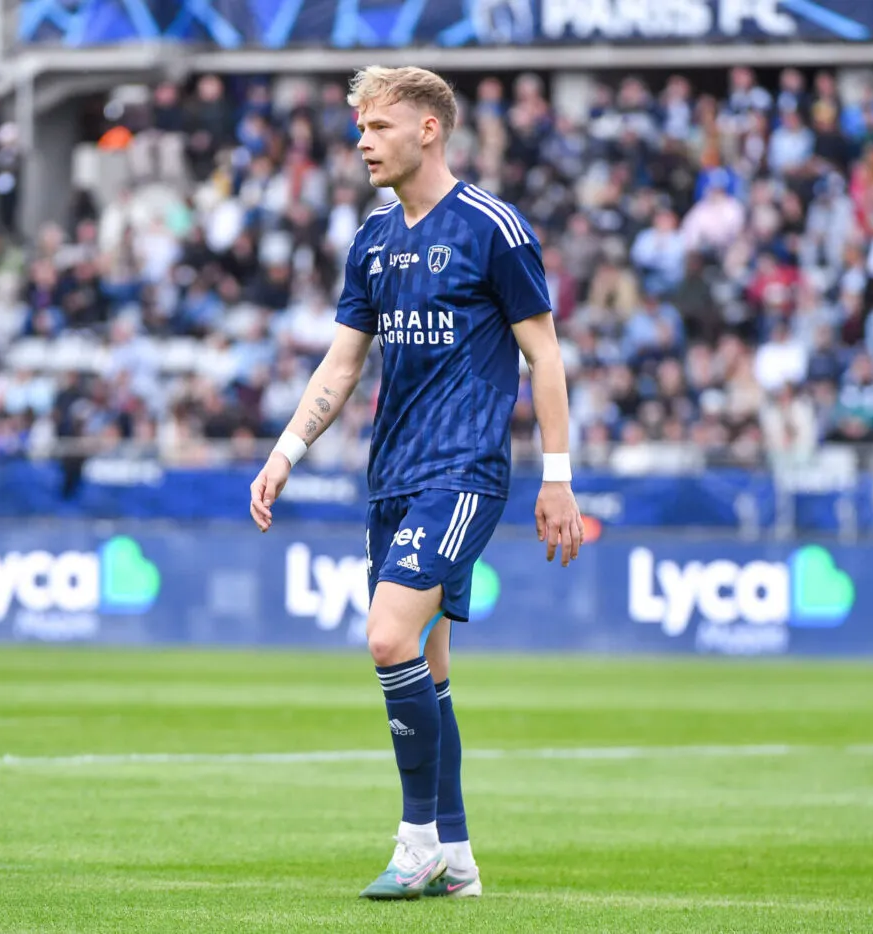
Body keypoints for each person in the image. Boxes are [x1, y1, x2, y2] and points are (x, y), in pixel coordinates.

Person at [248, 66, 582, 900]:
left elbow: (544, 354)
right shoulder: (373, 239)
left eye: (380, 126)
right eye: (359, 128)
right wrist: (286, 448)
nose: (363, 142)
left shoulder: (493, 228)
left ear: (429, 129)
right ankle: (458, 858)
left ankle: (415, 841)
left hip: (462, 472)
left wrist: (558, 477)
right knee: (427, 677)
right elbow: (344, 360)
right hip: (391, 477)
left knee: (386, 638)